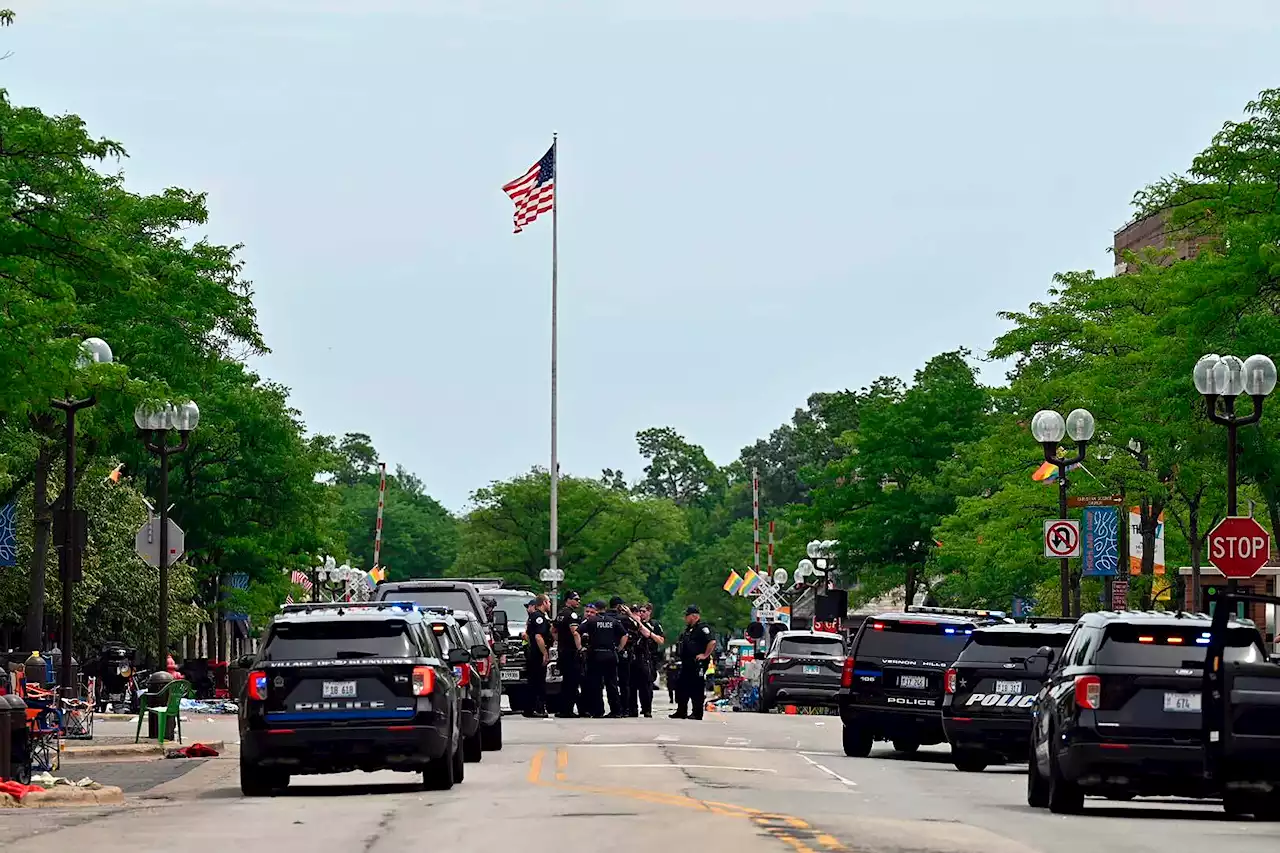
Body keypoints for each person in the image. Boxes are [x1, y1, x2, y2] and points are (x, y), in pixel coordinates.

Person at [580, 598, 626, 718]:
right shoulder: (613, 621)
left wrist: (580, 647)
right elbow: (624, 634)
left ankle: (598, 711)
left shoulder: (591, 621)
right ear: (605, 608)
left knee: (596, 684)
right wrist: (619, 648)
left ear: (596, 609)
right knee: (612, 684)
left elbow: (577, 631)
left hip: (596, 655)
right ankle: (616, 711)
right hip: (610, 654)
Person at [671, 605, 716, 721]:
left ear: (694, 616)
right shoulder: (688, 630)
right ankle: (681, 711)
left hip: (697, 663)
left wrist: (705, 655)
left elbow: (712, 642)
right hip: (687, 663)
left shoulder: (702, 628)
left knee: (697, 688)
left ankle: (697, 713)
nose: (685, 618)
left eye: (687, 616)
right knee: (681, 687)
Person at [624, 603, 664, 717]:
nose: (641, 613)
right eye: (638, 611)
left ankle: (646, 709)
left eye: (643, 611)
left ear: (649, 611)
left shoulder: (653, 625)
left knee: (646, 686)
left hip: (647, 657)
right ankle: (632, 710)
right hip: (633, 657)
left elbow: (660, 640)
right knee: (631, 685)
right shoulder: (632, 624)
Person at [553, 591, 584, 718]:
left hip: (562, 651)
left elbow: (553, 630)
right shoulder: (572, 615)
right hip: (571, 652)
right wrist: (580, 648)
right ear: (568, 600)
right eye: (576, 599)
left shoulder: (560, 613)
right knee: (572, 682)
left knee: (565, 682)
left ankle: (563, 709)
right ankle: (568, 710)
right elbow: (575, 632)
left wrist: (558, 642)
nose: (578, 601)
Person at [523, 594, 553, 718]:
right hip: (537, 654)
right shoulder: (539, 618)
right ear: (544, 603)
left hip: (532, 652)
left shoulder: (532, 617)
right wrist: (544, 653)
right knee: (538, 682)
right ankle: (537, 708)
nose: (550, 604)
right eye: (549, 602)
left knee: (532, 681)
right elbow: (538, 636)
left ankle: (529, 709)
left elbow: (527, 635)